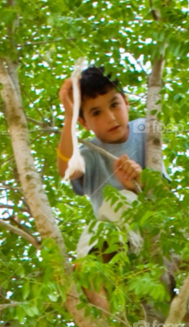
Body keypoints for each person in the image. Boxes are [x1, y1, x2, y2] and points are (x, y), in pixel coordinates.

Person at [56, 66, 147, 222]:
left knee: (126, 197)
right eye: (97, 113)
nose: (110, 117)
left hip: (156, 229)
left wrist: (140, 183)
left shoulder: (144, 130)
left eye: (114, 105)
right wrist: (70, 116)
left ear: (126, 102)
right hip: (113, 239)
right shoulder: (90, 153)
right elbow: (67, 171)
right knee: (113, 208)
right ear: (84, 122)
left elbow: (164, 189)